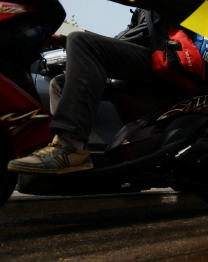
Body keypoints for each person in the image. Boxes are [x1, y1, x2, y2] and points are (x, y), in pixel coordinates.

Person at [7, 9, 196, 175]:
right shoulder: (140, 13)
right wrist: (62, 41)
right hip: (144, 60)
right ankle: (61, 149)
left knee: (81, 40)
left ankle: (71, 146)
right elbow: (123, 40)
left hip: (168, 59)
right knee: (60, 82)